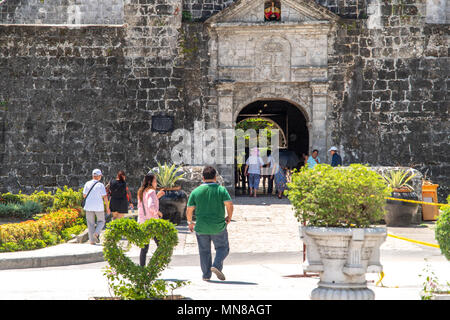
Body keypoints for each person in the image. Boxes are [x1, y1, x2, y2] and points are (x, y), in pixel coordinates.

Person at [186, 166, 233, 281]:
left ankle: (206, 275)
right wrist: (229, 217)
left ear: (202, 178)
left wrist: (190, 222)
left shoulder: (196, 191)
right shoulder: (221, 190)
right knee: (223, 248)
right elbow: (229, 205)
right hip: (218, 226)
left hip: (201, 226)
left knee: (204, 251)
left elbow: (189, 210)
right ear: (215, 177)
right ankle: (216, 265)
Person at [137, 173, 165, 267]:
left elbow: (144, 204)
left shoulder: (141, 191)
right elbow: (150, 206)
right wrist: (158, 212)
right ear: (150, 182)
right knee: (161, 245)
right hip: (152, 223)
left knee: (144, 248)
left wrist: (157, 196)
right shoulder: (152, 191)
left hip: (143, 222)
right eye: (155, 181)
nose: (156, 183)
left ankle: (142, 268)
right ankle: (153, 264)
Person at [82, 169, 111, 245]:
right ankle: (96, 233)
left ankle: (92, 241)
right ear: (98, 176)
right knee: (101, 221)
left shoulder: (87, 183)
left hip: (88, 206)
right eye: (100, 176)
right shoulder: (100, 185)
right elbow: (105, 197)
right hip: (98, 207)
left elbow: (84, 195)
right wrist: (107, 208)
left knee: (90, 223)